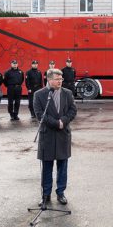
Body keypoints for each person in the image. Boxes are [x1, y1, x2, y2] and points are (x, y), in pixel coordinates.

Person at [34, 68, 77, 205]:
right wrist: (55, 123)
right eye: (57, 79)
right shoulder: (39, 95)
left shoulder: (68, 93)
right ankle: (46, 195)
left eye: (61, 79)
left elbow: (73, 110)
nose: (60, 81)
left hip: (63, 134)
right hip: (47, 135)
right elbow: (40, 114)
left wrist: (63, 121)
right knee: (47, 167)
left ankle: (61, 193)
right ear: (49, 79)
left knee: (62, 166)